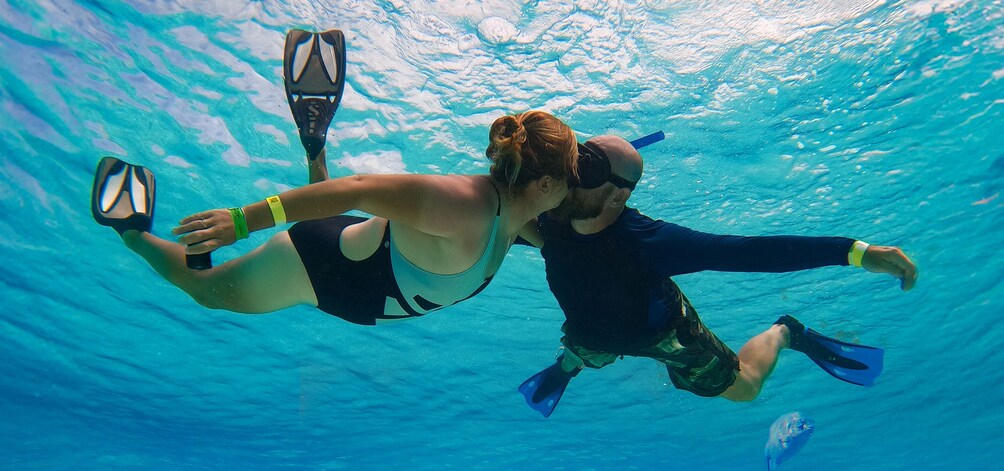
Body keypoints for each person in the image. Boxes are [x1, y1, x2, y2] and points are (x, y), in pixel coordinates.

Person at [91, 29, 578, 325]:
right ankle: (133, 233)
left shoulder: (520, 221)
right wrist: (242, 222)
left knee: (343, 216)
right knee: (209, 294)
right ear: (542, 183)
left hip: (357, 264)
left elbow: (581, 232)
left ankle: (314, 145)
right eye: (570, 173)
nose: (574, 183)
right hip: (321, 267)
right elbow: (359, 190)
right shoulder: (465, 203)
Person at [516, 134, 918, 417]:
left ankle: (786, 332)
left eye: (587, 170)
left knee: (744, 390)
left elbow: (746, 251)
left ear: (618, 195)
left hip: (666, 332)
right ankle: (568, 364)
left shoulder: (647, 241)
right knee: (585, 348)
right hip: (592, 330)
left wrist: (854, 252)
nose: (571, 177)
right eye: (576, 162)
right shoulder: (551, 218)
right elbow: (493, 220)